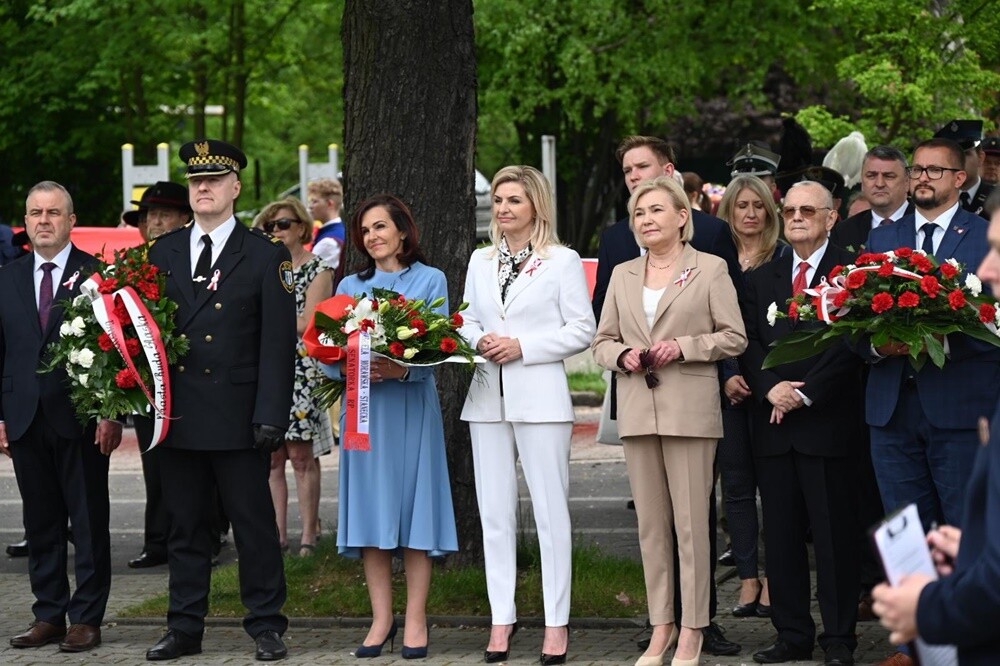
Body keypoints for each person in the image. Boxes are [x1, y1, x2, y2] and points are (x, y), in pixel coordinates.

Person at [144, 139, 296, 662]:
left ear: (235, 188)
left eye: (213, 180)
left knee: (252, 525)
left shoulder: (264, 254)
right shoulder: (161, 253)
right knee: (184, 526)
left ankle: (266, 624)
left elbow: (278, 345)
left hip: (238, 415)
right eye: (195, 181)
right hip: (180, 414)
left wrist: (272, 414)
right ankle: (184, 626)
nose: (202, 187)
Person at [592, 134, 743, 658]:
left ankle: (695, 628)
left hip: (691, 411)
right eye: (639, 211)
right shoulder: (622, 273)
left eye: (657, 209)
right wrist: (621, 357)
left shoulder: (710, 267)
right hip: (637, 409)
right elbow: (601, 341)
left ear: (683, 215)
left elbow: (734, 336)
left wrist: (683, 347)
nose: (646, 218)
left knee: (691, 527)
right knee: (652, 530)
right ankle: (661, 626)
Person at [461, 165, 595, 665]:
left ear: (536, 205)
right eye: (498, 199)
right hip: (486, 399)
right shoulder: (480, 259)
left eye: (513, 199)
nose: (502, 208)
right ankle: (502, 617)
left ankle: (556, 622)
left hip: (540, 396)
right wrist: (481, 339)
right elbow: (468, 317)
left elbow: (583, 329)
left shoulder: (562, 261)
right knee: (495, 514)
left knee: (549, 512)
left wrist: (524, 346)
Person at [324, 193, 457, 659]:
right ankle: (381, 618)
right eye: (365, 230)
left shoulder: (429, 279)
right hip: (365, 417)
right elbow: (324, 353)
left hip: (410, 410)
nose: (373, 236)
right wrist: (347, 368)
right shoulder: (347, 287)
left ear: (403, 230)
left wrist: (402, 369)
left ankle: (416, 618)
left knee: (414, 515)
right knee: (371, 516)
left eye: (381, 227)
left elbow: (441, 345)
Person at [870, 205, 1000, 664]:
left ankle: (958, 640)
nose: (988, 269)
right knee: (911, 533)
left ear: (958, 178)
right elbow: (850, 314)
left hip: (957, 412)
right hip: (892, 413)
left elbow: (988, 322)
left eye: (934, 168)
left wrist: (934, 340)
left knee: (966, 524)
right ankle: (917, 648)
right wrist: (875, 342)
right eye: (917, 168)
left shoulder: (980, 232)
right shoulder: (883, 236)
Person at [740, 181, 863, 665]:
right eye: (788, 209)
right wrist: (771, 387)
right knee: (783, 538)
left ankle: (838, 640)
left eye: (807, 210)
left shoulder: (854, 274)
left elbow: (850, 342)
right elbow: (748, 343)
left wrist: (805, 393)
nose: (795, 217)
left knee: (834, 540)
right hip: (773, 426)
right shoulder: (762, 279)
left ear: (831, 218)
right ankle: (792, 634)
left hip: (828, 423)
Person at [0, 180, 123, 653]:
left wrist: (112, 414)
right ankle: (49, 613)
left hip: (83, 419)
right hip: (24, 415)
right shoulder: (7, 278)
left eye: (54, 212)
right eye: (36, 213)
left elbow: (118, 351)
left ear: (72, 221)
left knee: (89, 520)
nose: (44, 220)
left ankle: (87, 617)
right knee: (40, 523)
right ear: (26, 222)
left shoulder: (99, 277)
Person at [714, 175, 786, 618]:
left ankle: (778, 580)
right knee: (737, 488)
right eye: (742, 205)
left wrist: (760, 380)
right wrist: (727, 375)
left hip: (773, 387)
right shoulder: (712, 260)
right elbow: (707, 324)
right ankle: (746, 579)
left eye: (758, 206)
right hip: (726, 389)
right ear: (729, 212)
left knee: (779, 490)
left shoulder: (782, 258)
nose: (750, 214)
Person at [253, 198, 335, 557]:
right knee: (271, 456)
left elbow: (308, 323)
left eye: (283, 224)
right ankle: (277, 535)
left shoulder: (318, 269)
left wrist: (265, 324)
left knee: (301, 456)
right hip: (266, 366)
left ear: (302, 227)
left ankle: (308, 537)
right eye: (269, 226)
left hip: (302, 370)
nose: (276, 231)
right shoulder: (264, 268)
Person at [121, 181, 194, 571]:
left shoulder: (195, 260)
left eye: (165, 214)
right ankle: (157, 540)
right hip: (147, 379)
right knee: (154, 460)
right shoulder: (130, 263)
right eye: (149, 216)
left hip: (192, 378)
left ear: (185, 218)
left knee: (200, 462)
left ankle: (207, 534)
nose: (156, 222)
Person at [830, 146, 914, 252]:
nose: (879, 184)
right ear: (862, 182)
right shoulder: (843, 231)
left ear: (907, 182)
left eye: (889, 176)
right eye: (871, 176)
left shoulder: (926, 224)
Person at [934, 119, 994, 218]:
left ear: (980, 157)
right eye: (951, 156)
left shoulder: (996, 198)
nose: (958, 161)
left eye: (965, 154)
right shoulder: (935, 199)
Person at [307, 178, 346, 282]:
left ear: (329, 203)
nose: (310, 207)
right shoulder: (338, 231)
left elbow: (309, 277)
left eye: (315, 201)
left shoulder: (328, 242)